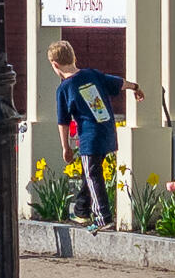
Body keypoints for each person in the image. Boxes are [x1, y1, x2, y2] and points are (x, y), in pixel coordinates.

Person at [48, 41, 145, 225]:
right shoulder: (92, 74)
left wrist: (65, 147)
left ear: (55, 64)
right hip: (107, 132)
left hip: (89, 137)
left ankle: (103, 217)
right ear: (74, 58)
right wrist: (135, 87)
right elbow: (118, 82)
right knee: (90, 172)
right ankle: (81, 210)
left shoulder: (64, 88)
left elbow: (63, 122)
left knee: (93, 175)